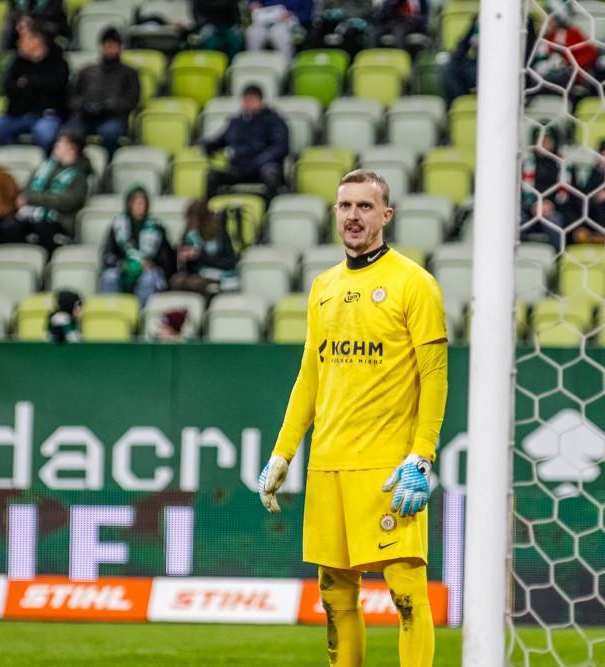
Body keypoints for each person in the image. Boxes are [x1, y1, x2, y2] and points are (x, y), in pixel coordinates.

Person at [259, 169, 447, 667]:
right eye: (345, 206)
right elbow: (309, 378)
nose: (353, 216)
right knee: (335, 598)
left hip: (388, 467)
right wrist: (283, 453)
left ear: (386, 215)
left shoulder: (415, 284)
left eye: (365, 206)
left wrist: (422, 456)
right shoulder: (323, 286)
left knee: (407, 595)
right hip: (328, 466)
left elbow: (434, 376)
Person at [0, 20, 69, 152]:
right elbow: (8, 87)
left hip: (46, 115)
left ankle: (43, 161)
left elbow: (55, 88)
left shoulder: (57, 62)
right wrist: (32, 85)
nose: (18, 43)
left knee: (45, 132)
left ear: (37, 40)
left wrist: (28, 82)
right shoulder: (17, 63)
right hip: (18, 114)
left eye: (23, 39)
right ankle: (14, 156)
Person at [7, 130, 89, 253]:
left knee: (42, 227)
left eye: (60, 143)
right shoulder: (45, 167)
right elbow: (28, 189)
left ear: (72, 148)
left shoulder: (79, 176)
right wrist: (29, 198)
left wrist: (31, 199)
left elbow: (64, 201)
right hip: (33, 215)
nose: (56, 146)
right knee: (10, 226)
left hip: (60, 222)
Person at [203, 85, 290, 200]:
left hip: (262, 167)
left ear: (261, 101)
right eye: (247, 100)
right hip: (239, 168)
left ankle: (272, 206)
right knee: (212, 175)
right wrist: (207, 145)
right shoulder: (236, 122)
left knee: (270, 172)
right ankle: (211, 207)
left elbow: (280, 147)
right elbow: (221, 140)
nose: (249, 103)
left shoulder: (274, 121)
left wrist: (259, 161)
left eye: (253, 100)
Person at [65, 28, 140, 156]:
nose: (109, 48)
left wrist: (107, 106)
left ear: (120, 47)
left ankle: (108, 162)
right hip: (85, 116)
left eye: (113, 45)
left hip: (114, 117)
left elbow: (132, 100)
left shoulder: (129, 73)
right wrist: (84, 105)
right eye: (106, 45)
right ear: (100, 47)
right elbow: (73, 97)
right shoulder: (86, 71)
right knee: (68, 131)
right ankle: (74, 162)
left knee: (110, 132)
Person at [99, 184, 175, 306]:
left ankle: (140, 312)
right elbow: (107, 255)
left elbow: (167, 259)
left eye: (143, 204)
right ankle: (112, 311)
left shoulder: (157, 227)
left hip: (148, 269)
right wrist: (122, 264)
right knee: (110, 277)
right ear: (129, 205)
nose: (140, 207)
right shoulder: (117, 226)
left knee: (149, 279)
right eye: (136, 203)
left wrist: (152, 263)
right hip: (123, 267)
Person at [520, 127, 581, 251]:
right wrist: (533, 206)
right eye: (540, 141)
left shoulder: (566, 166)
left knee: (555, 221)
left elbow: (572, 197)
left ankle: (558, 256)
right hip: (530, 211)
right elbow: (520, 193)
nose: (543, 145)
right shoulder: (526, 165)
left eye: (547, 141)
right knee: (516, 219)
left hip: (555, 211)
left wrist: (551, 205)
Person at [170, 200, 238, 295]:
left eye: (194, 219)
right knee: (176, 281)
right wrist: (182, 257)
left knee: (196, 283)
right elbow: (184, 267)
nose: (191, 223)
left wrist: (200, 255)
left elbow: (229, 262)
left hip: (219, 274)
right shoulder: (188, 235)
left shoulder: (220, 236)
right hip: (197, 274)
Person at [528, 10, 597, 101]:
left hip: (567, 77)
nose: (545, 22)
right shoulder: (542, 36)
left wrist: (568, 63)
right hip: (542, 76)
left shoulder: (571, 32)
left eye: (549, 18)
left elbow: (590, 54)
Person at [245, 0, 314, 65]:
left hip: (289, 23)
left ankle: (287, 67)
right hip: (264, 20)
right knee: (252, 33)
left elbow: (306, 15)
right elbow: (254, 2)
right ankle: (254, 66)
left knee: (281, 35)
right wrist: (254, 4)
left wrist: (291, 15)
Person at [305, 0, 375, 56]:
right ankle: (316, 59)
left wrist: (345, 13)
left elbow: (366, 10)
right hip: (330, 23)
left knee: (350, 34)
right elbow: (318, 11)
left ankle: (348, 61)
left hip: (351, 24)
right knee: (314, 32)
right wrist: (324, 14)